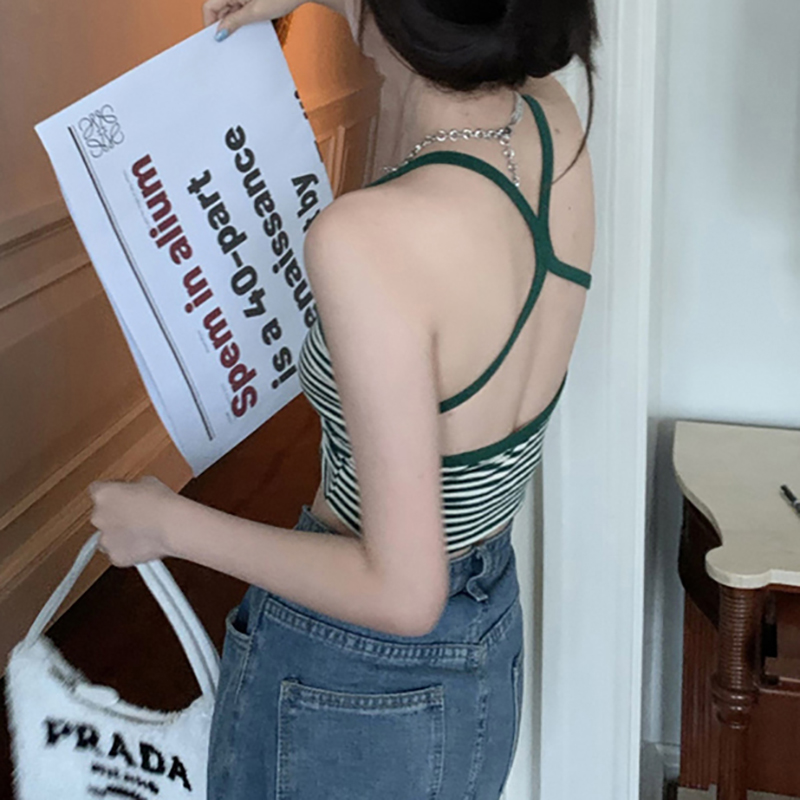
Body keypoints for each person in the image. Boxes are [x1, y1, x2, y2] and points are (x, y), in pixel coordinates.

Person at [88, 0, 598, 797]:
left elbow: (403, 593)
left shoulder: (369, 238)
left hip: (354, 674)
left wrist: (168, 524)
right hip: (486, 627)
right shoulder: (551, 121)